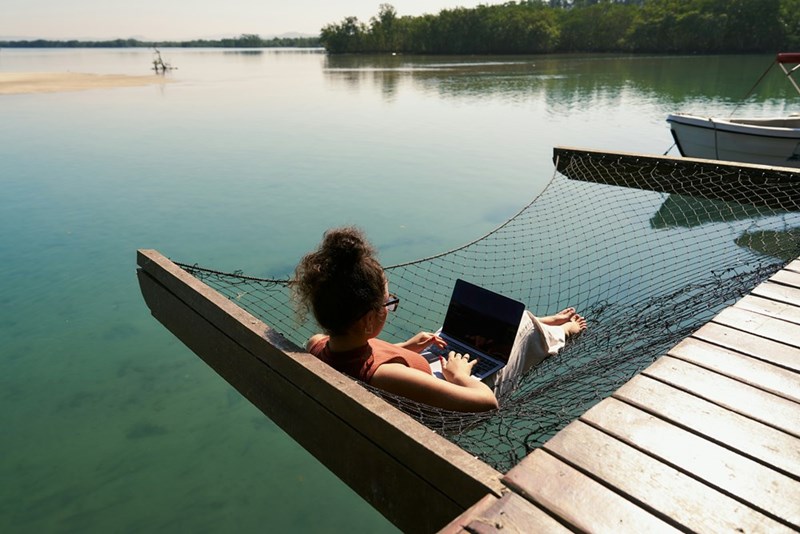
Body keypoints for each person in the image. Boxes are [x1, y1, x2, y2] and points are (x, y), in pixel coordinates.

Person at [292, 226, 586, 413]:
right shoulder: (386, 375)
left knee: (459, 333)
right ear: (367, 321)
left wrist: (406, 347)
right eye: (388, 302)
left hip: (429, 368)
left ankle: (535, 325)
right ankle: (560, 332)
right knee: (518, 326)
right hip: (462, 390)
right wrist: (460, 377)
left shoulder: (318, 344)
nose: (389, 306)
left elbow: (360, 358)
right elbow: (487, 404)